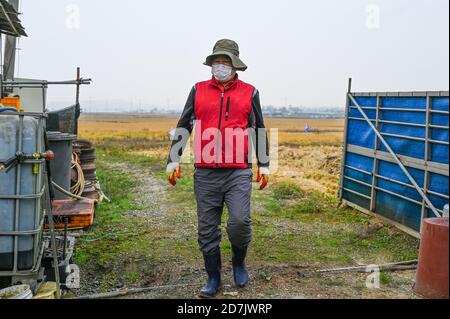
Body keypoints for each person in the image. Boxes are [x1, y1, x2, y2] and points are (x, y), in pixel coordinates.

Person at [166, 39, 269, 298]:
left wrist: (264, 164)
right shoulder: (198, 90)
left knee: (239, 222)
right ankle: (213, 277)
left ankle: (238, 263)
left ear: (235, 65)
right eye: (217, 61)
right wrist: (173, 159)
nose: (220, 66)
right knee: (207, 228)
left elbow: (258, 129)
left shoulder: (250, 92)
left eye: (225, 61)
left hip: (238, 171)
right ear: (211, 64)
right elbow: (184, 124)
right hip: (205, 171)